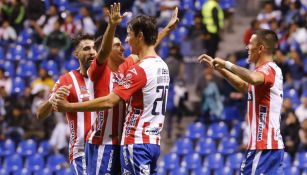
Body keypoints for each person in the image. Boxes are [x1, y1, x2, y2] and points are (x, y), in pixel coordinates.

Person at [52, 4, 179, 175]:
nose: (123, 47)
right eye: (117, 45)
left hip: (122, 143)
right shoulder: (98, 71)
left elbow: (146, 48)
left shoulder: (125, 69)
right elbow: (103, 51)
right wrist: (111, 25)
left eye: (122, 43)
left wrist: (166, 30)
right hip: (102, 144)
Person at [36, 4, 124, 173]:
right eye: (86, 49)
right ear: (76, 54)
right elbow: (40, 114)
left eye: (93, 48)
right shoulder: (67, 80)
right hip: (82, 151)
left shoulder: (109, 75)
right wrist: (51, 101)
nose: (92, 52)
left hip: (107, 148)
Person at [198, 29, 284, 174]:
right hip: (270, 147)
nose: (247, 47)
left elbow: (253, 78)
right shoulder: (269, 71)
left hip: (263, 147)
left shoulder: (267, 70)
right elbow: (245, 86)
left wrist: (227, 64)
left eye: (250, 44)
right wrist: (220, 69)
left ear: (261, 48)